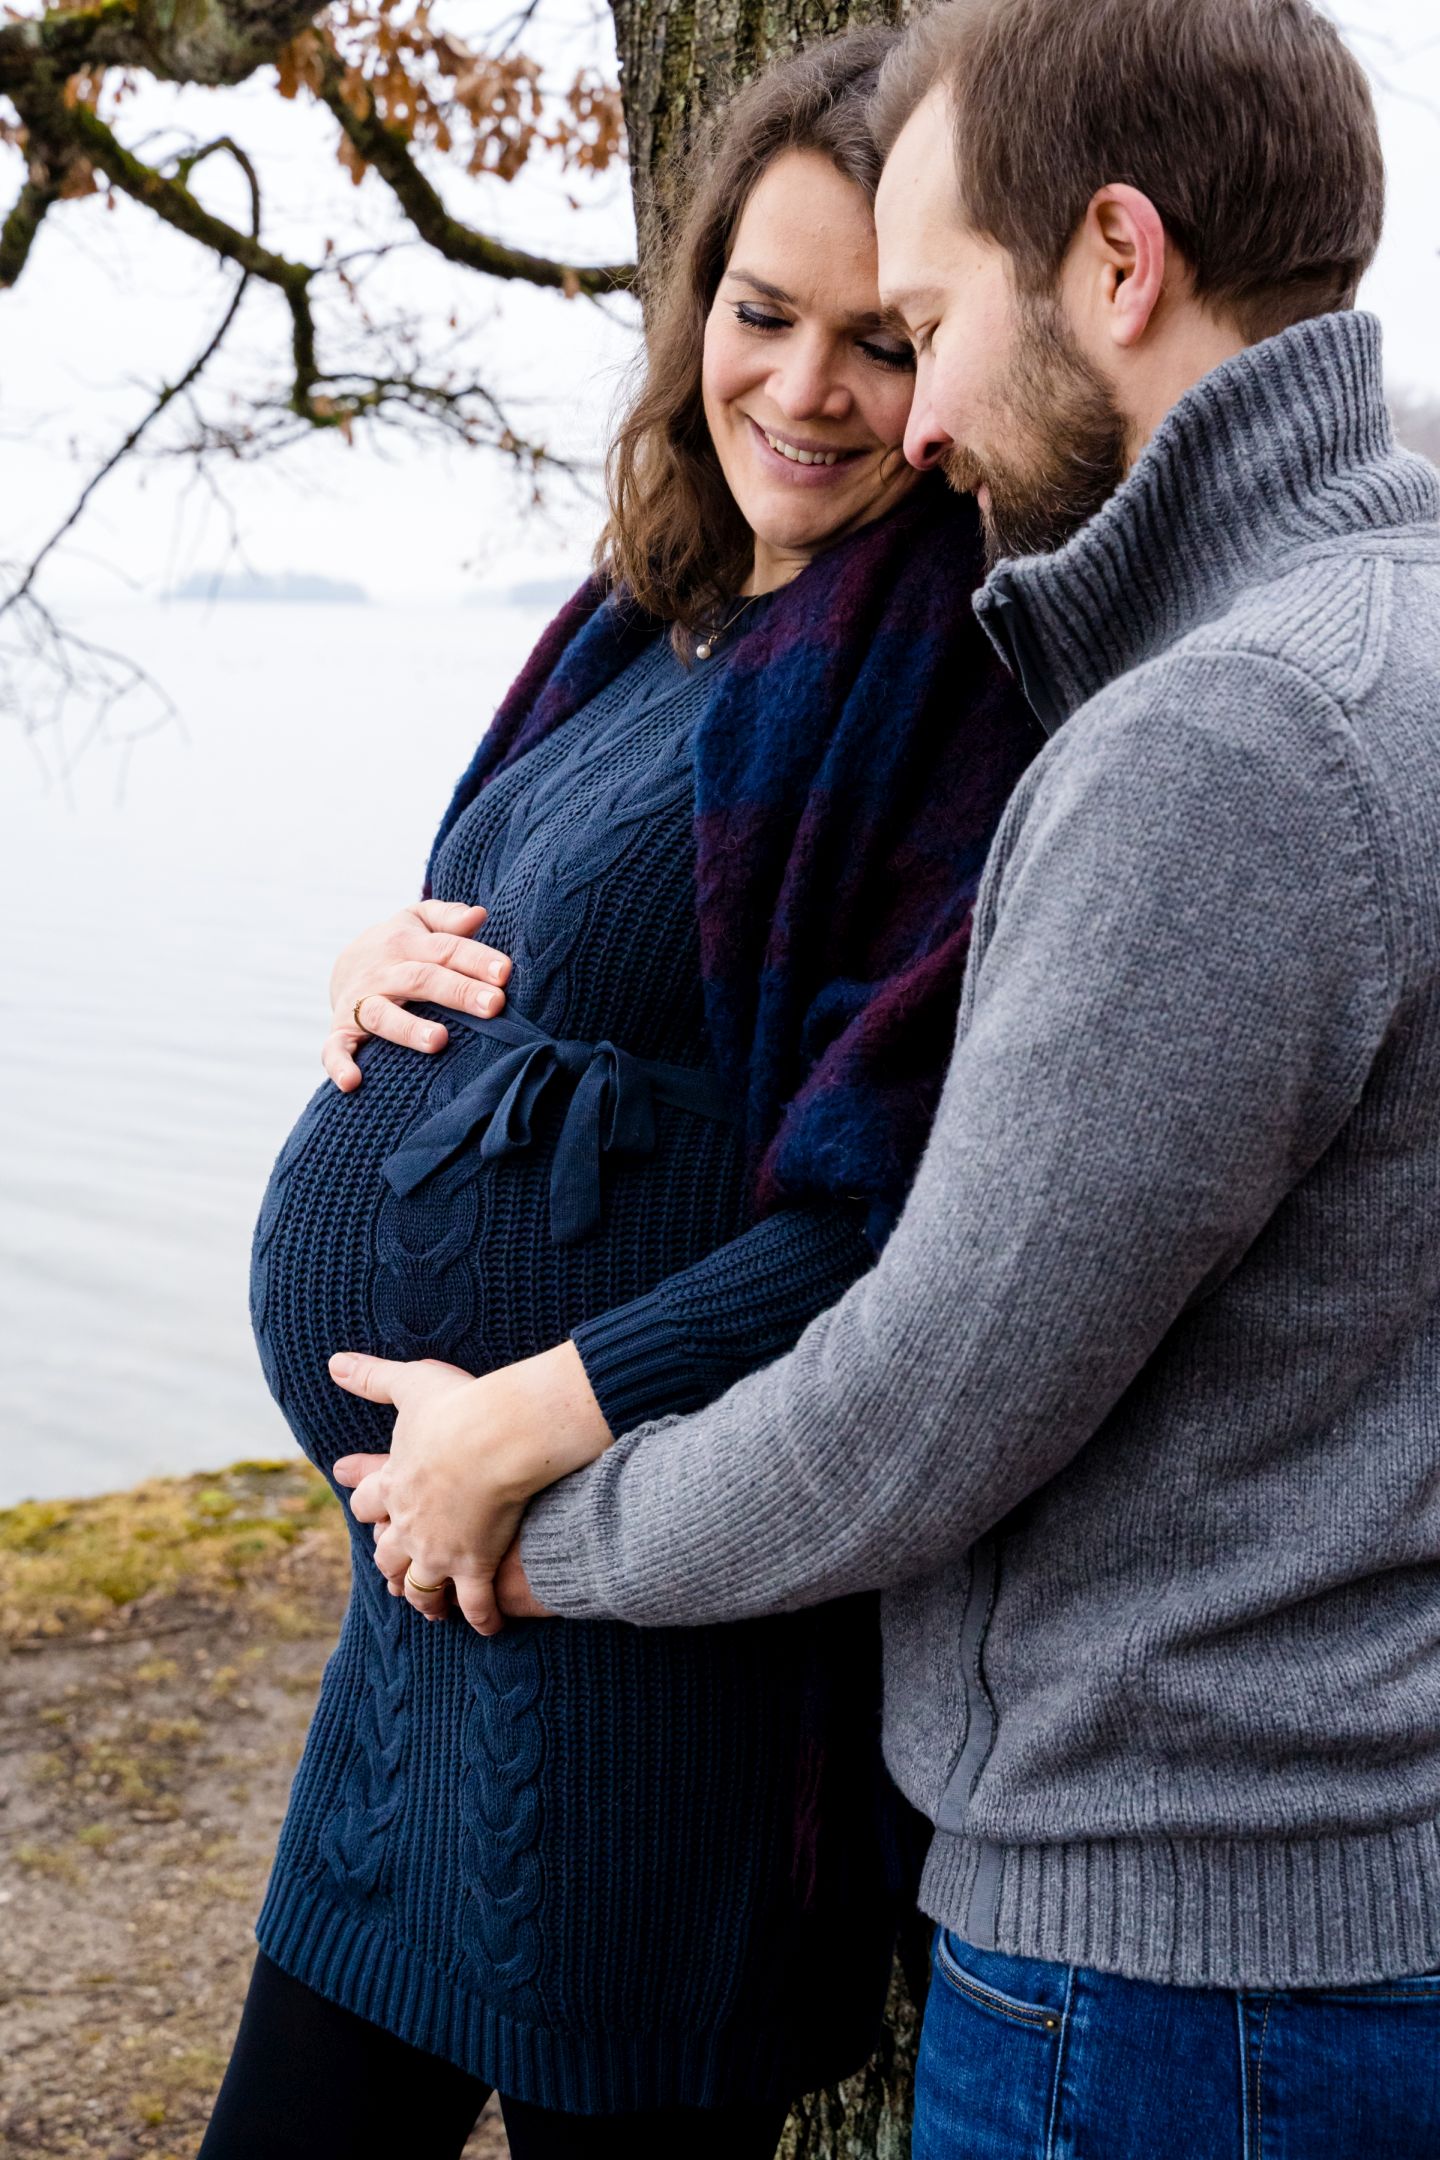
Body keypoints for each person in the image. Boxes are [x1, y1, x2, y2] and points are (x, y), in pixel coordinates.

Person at [448, 1, 1438, 2154]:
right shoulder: (1402, 621)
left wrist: (540, 1532)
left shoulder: (1227, 738)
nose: (909, 424)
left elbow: (925, 1403)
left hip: (1181, 1982)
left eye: (923, 322)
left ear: (1113, 260)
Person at [200, 27, 1038, 2160]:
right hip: (423, 1670)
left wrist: (538, 1410)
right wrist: (378, 966)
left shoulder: (942, 683)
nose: (805, 387)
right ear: (698, 315)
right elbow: (513, 944)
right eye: (762, 316)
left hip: (658, 1702)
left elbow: (893, 1216)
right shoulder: (636, 614)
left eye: (878, 339)